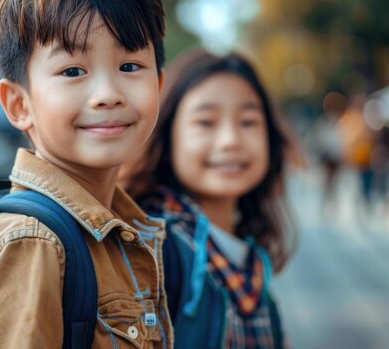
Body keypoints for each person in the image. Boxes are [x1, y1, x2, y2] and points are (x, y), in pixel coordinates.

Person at [0, 0, 172, 349]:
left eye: (129, 66)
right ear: (20, 105)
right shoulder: (31, 244)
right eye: (73, 71)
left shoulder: (121, 225)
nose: (107, 95)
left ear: (158, 86)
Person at [125, 48, 296, 349]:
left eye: (248, 122)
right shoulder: (152, 252)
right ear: (167, 135)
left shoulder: (249, 259)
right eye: (206, 122)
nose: (231, 139)